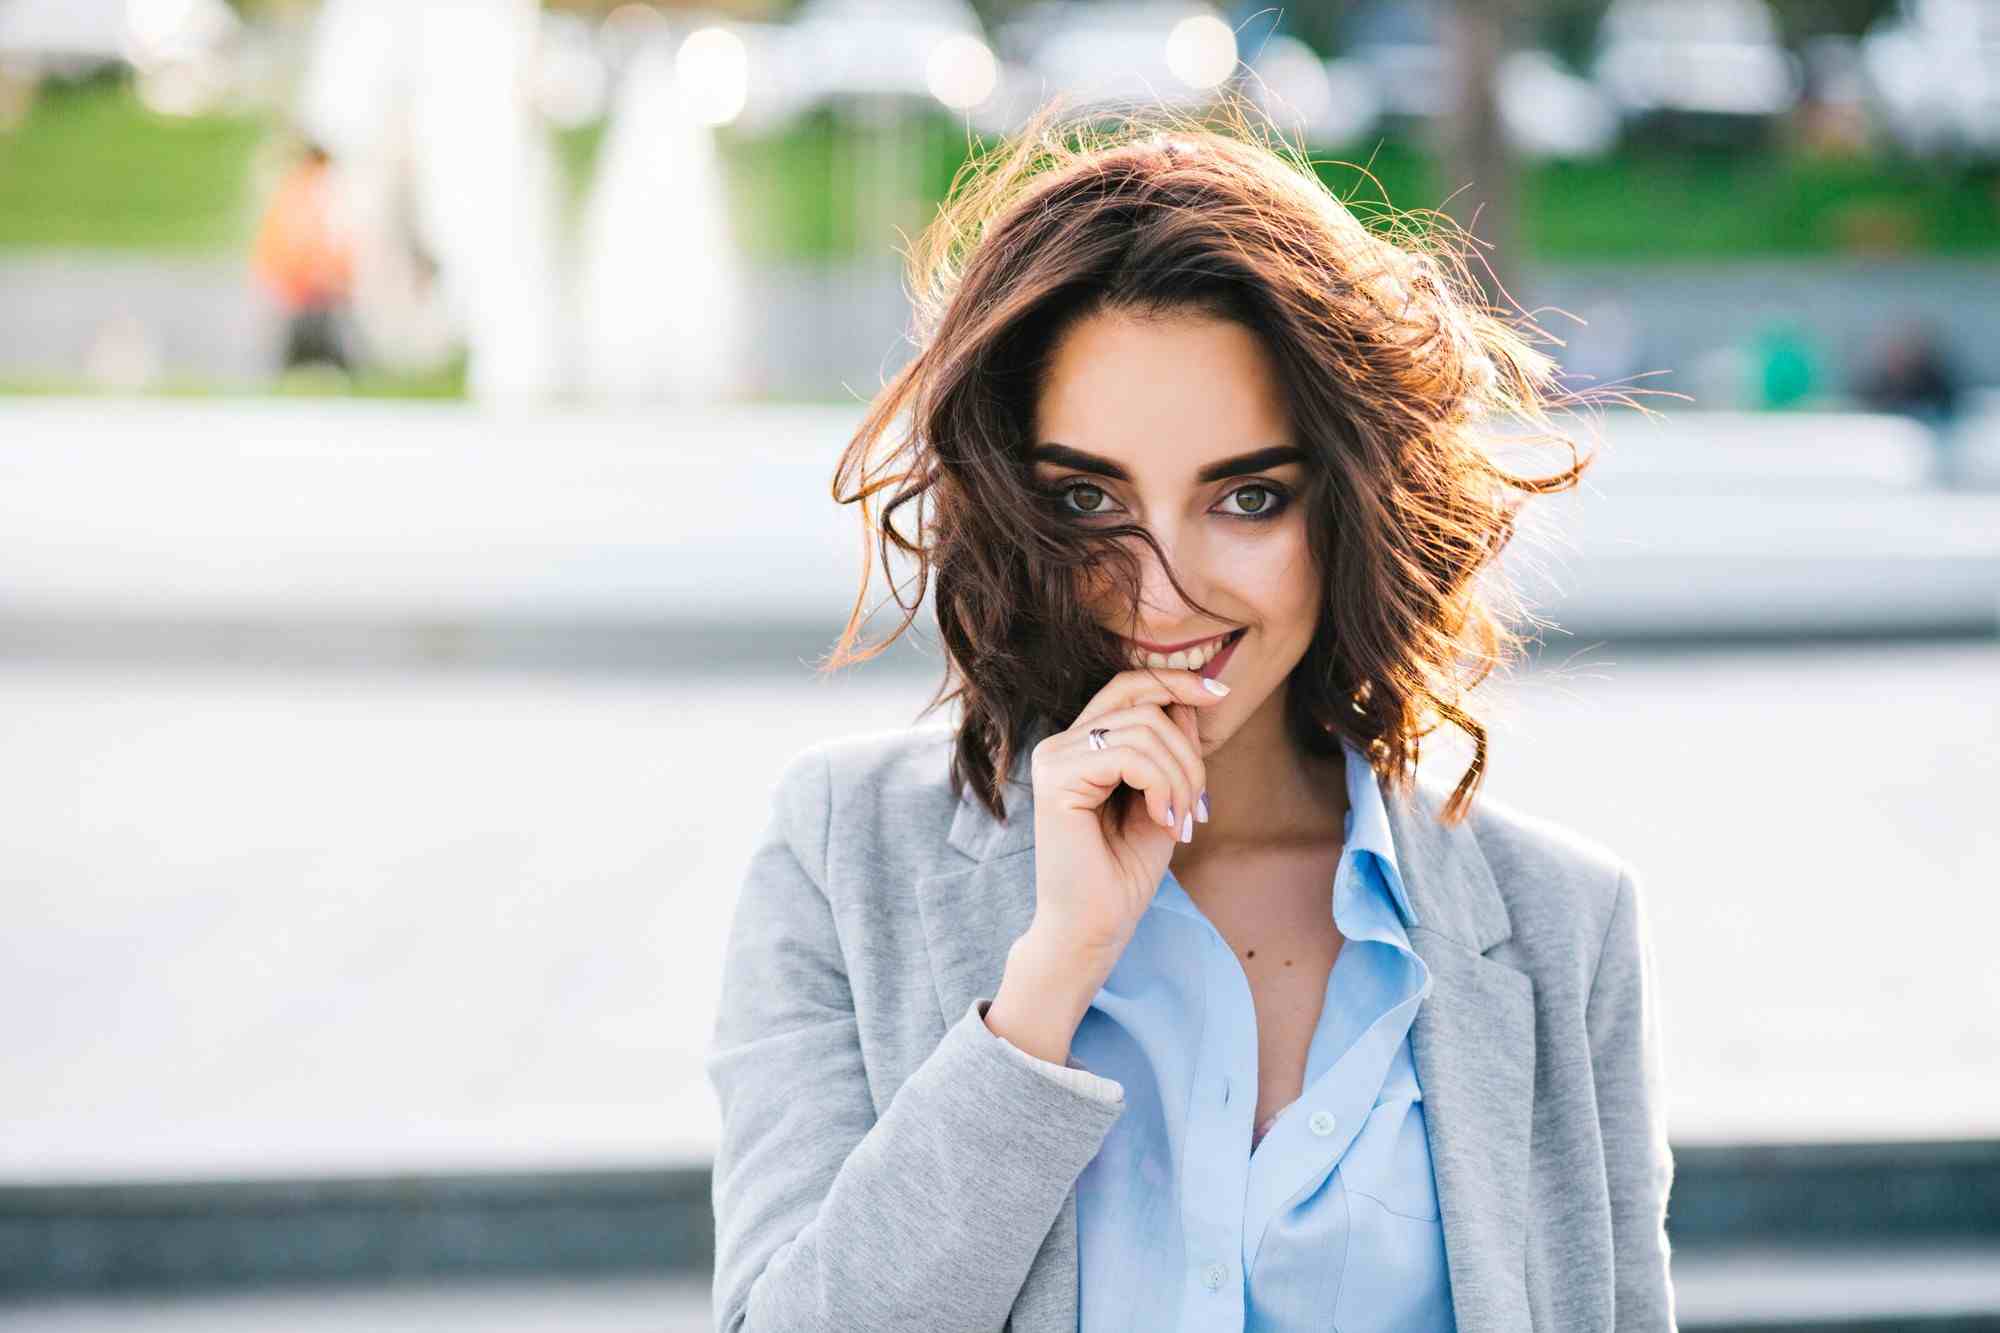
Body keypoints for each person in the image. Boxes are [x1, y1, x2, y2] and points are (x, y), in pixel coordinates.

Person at [706, 98, 1677, 1333]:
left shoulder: (1560, 926)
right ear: (1008, 503)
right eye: (1084, 503)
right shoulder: (846, 854)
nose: (1162, 593)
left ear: (1352, 507)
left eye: (1248, 498)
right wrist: (1045, 985)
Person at [251, 139, 355, 374]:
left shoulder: (301, 192)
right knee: (310, 351)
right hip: (305, 291)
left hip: (308, 291)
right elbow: (303, 244)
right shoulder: (306, 193)